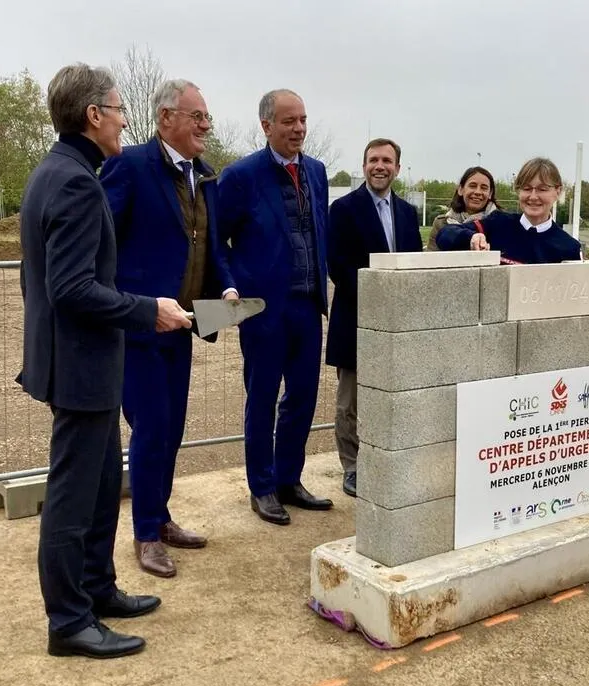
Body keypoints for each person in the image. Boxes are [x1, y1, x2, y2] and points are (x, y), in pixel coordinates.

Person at [18, 63, 192, 659]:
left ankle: (97, 590)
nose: (123, 121)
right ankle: (69, 622)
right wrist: (148, 311)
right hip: (80, 366)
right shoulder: (73, 182)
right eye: (118, 110)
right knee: (72, 497)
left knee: (97, 488)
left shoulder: (61, 171)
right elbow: (69, 288)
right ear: (93, 115)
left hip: (80, 362)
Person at [100, 79, 238, 579]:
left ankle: (159, 518)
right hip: (139, 330)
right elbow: (102, 242)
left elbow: (212, 246)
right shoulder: (130, 165)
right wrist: (125, 306)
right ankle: (144, 535)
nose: (205, 126)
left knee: (172, 429)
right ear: (165, 118)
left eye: (207, 118)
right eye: (197, 116)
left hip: (182, 326)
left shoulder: (205, 176)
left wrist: (226, 287)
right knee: (152, 429)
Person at [217, 89, 333, 526]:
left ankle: (288, 480)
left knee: (302, 398)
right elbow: (217, 242)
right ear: (266, 126)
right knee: (262, 399)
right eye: (289, 121)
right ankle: (262, 487)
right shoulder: (241, 176)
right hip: (262, 311)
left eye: (302, 120)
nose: (298, 129)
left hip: (307, 306)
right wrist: (230, 286)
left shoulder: (317, 172)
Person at [325, 138, 423, 497]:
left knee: (393, 397)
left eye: (386, 161)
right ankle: (352, 466)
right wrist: (379, 298)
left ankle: (387, 461)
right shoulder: (343, 209)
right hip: (356, 318)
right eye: (373, 160)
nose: (379, 166)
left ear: (397, 168)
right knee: (350, 402)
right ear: (364, 165)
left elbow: (413, 264)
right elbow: (338, 265)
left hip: (398, 326)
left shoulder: (408, 213)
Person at [436, 157, 582, 263]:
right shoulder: (498, 223)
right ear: (518, 191)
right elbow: (445, 235)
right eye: (526, 189)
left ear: (557, 191)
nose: (533, 197)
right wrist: (471, 237)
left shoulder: (569, 247)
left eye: (542, 189)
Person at [425, 166, 500, 251]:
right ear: (460, 190)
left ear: (490, 194)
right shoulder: (441, 223)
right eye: (473, 186)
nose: (478, 192)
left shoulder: (500, 224)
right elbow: (431, 256)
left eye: (484, 188)